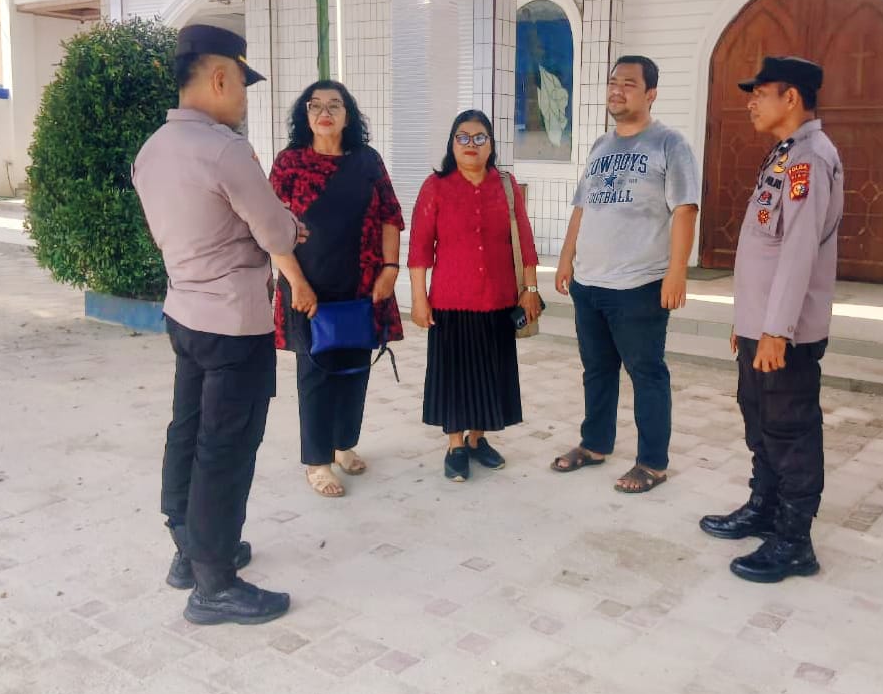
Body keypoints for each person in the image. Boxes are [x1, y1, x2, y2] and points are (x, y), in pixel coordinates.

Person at [133, 23, 305, 626]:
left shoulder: (153, 150)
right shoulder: (225, 150)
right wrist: (286, 224)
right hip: (233, 322)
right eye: (242, 86)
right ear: (221, 76)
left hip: (184, 313)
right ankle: (214, 584)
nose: (243, 100)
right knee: (225, 449)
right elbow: (277, 232)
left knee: (188, 429)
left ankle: (189, 548)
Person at [699, 56, 843, 584]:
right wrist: (749, 322)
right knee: (760, 420)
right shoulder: (785, 154)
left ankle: (794, 540)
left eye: (761, 93)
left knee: (790, 430)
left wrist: (777, 329)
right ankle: (764, 508)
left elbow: (799, 250)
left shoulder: (810, 160)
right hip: (761, 327)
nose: (751, 103)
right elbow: (766, 246)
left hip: (786, 334)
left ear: (792, 97)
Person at [551, 55, 701, 494]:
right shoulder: (601, 145)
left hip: (639, 284)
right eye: (613, 82)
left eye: (629, 84)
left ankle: (652, 463)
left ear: (651, 94)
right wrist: (566, 259)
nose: (617, 90)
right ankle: (595, 444)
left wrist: (677, 272)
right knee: (597, 369)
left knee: (646, 373)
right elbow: (582, 207)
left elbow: (685, 210)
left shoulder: (670, 144)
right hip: (589, 283)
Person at [269, 81, 404, 498]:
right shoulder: (290, 163)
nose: (324, 113)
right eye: (315, 106)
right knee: (315, 375)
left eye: (334, 106)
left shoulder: (367, 161)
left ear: (348, 116)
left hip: (361, 285)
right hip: (308, 288)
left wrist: (390, 269)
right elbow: (271, 230)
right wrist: (297, 284)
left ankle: (344, 445)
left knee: (355, 369)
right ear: (305, 114)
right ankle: (317, 462)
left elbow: (390, 216)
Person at [408, 110, 541, 482]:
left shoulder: (506, 185)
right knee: (455, 376)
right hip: (451, 301)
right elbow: (419, 248)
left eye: (480, 137)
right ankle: (455, 445)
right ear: (452, 144)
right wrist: (419, 298)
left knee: (490, 374)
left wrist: (530, 290)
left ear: (491, 145)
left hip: (499, 300)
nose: (471, 144)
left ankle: (478, 438)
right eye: (463, 137)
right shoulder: (436, 187)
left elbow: (524, 240)